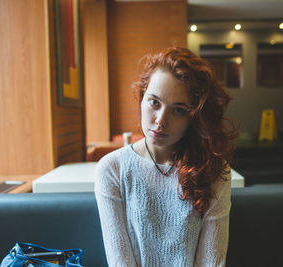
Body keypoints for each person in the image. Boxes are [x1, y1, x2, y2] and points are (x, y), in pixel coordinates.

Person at [95, 47, 238, 266]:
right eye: (154, 102)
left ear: (193, 118)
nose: (161, 120)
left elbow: (211, 262)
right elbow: (120, 261)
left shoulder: (214, 171)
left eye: (178, 110)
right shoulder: (113, 169)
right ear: (142, 98)